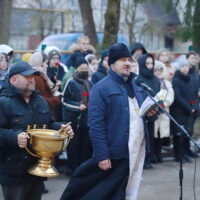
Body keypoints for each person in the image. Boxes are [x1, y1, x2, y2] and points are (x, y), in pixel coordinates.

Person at [60, 43, 156, 200]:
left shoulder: (138, 85)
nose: (127, 63)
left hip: (137, 149)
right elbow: (96, 124)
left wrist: (151, 114)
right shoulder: (101, 88)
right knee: (110, 193)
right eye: (122, 60)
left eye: (129, 60)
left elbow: (142, 116)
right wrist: (102, 154)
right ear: (112, 64)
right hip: (116, 152)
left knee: (130, 190)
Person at [0, 61, 74, 200]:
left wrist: (61, 128)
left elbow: (49, 124)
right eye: (27, 77)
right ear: (14, 80)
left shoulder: (40, 100)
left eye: (33, 76)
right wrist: (13, 137)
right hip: (14, 171)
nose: (31, 80)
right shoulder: (3, 102)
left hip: (38, 168)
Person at [62, 57, 93, 171]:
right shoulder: (71, 82)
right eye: (82, 68)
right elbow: (63, 100)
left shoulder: (89, 83)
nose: (84, 70)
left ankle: (82, 168)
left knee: (84, 146)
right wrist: (77, 106)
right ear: (76, 69)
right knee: (73, 146)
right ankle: (72, 168)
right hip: (73, 120)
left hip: (86, 120)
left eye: (86, 68)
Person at [137, 54, 161, 168]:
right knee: (142, 138)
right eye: (147, 63)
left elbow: (158, 93)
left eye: (152, 63)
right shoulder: (138, 78)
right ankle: (142, 160)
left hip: (153, 112)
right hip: (141, 113)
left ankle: (149, 157)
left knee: (151, 136)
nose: (150, 66)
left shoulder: (155, 79)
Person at [171, 59, 195, 162]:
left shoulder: (190, 79)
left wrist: (194, 106)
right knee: (178, 134)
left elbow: (193, 95)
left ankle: (185, 154)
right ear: (179, 68)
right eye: (183, 66)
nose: (185, 68)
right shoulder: (176, 80)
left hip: (189, 111)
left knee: (187, 133)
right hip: (179, 111)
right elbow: (178, 96)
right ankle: (178, 156)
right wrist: (189, 108)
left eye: (186, 66)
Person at [154, 61, 174, 162]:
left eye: (160, 70)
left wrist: (163, 104)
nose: (158, 72)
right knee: (154, 134)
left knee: (161, 134)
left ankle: (158, 154)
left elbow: (171, 96)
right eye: (155, 70)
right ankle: (153, 155)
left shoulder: (166, 83)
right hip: (153, 110)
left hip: (163, 111)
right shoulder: (151, 81)